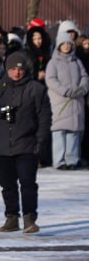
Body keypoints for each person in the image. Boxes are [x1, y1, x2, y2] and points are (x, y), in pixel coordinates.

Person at [0, 52, 51, 233]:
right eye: (12, 69)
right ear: (7, 70)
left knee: (27, 183)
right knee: (7, 185)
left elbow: (44, 116)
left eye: (19, 69)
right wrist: (0, 112)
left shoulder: (36, 89)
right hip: (1, 145)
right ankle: (11, 217)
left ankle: (29, 217)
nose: (16, 72)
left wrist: (40, 140)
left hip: (27, 144)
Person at [46, 32, 88, 170]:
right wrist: (65, 91)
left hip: (76, 101)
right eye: (63, 44)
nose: (66, 46)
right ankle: (59, 160)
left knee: (74, 132)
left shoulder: (77, 61)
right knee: (60, 131)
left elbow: (84, 77)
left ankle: (72, 159)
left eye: (68, 44)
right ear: (58, 46)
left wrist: (82, 89)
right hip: (61, 102)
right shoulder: (53, 62)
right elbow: (51, 80)